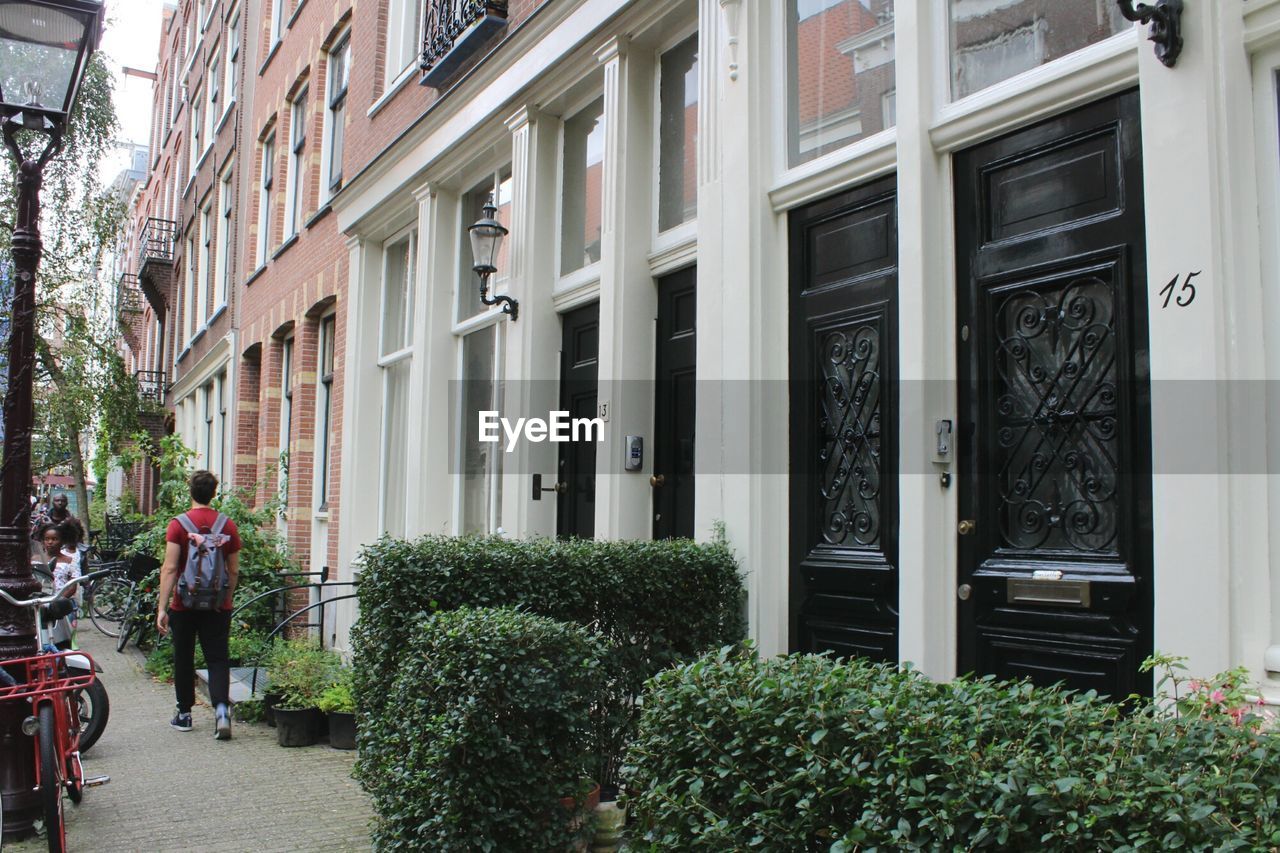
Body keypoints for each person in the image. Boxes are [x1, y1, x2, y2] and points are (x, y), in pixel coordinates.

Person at [155, 470, 241, 740]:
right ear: (214, 493)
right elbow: (234, 570)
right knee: (217, 657)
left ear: (190, 491)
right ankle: (222, 711)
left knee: (184, 656)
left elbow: (170, 568)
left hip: (184, 604)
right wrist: (226, 597)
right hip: (217, 605)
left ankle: (184, 714)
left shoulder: (179, 524)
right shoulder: (227, 526)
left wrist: (162, 607)